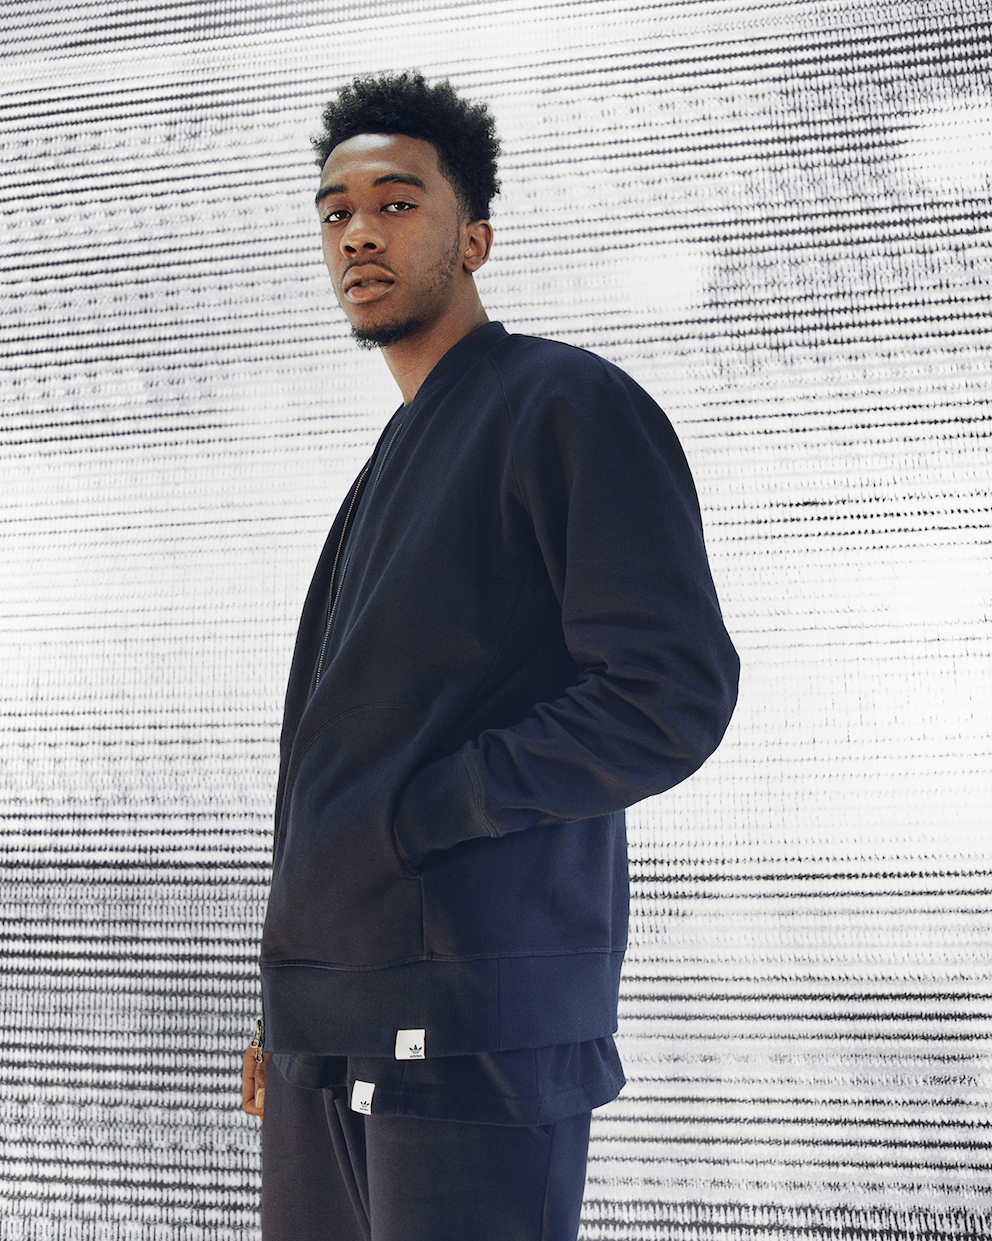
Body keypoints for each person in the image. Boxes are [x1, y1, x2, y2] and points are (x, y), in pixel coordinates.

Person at [242, 71, 739, 1241]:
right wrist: (292, 1001)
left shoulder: (562, 403)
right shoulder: (388, 466)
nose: (358, 232)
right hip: (335, 1025)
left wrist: (434, 813)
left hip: (474, 1029)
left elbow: (667, 691)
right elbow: (337, 764)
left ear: (474, 237)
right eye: (335, 210)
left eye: (396, 201)